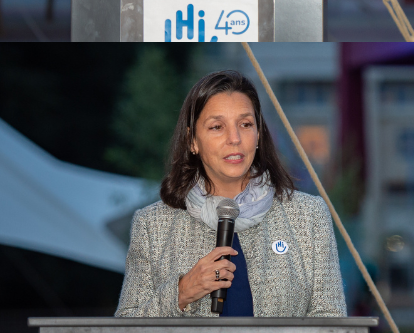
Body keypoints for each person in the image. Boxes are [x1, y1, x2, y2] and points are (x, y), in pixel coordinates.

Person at [115, 70, 346, 317]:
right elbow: (126, 330)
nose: (234, 138)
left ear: (258, 135)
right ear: (193, 140)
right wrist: (181, 293)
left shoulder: (308, 216)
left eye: (245, 124)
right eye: (217, 127)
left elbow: (330, 324)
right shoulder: (152, 226)